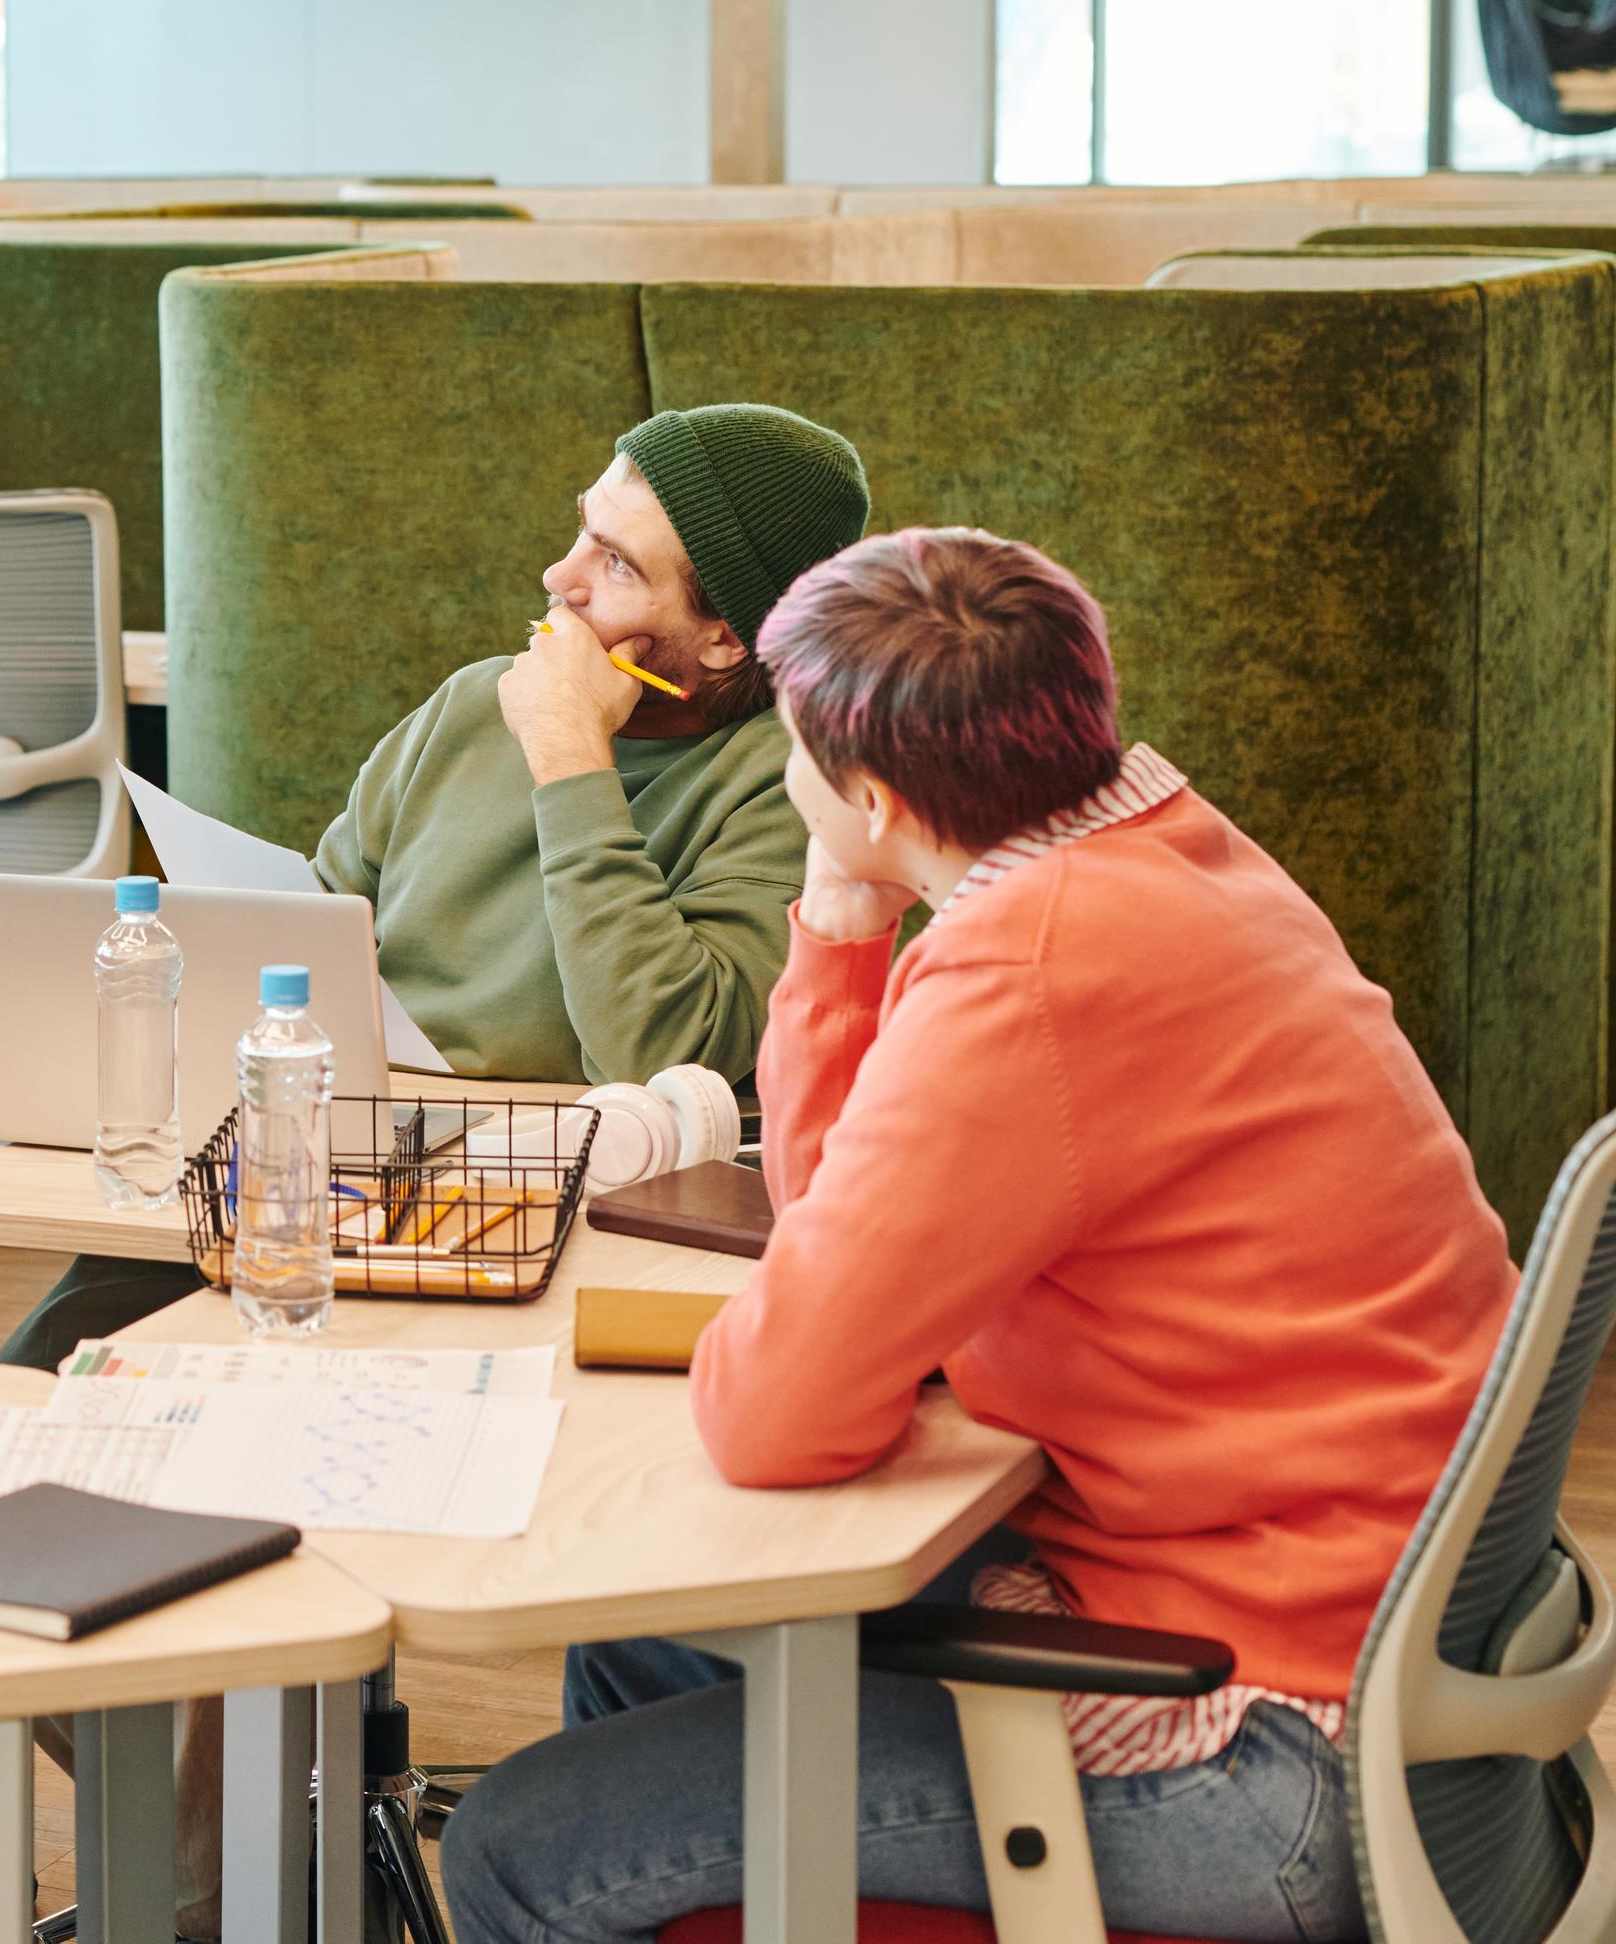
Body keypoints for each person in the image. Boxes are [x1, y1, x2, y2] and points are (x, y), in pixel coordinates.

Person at [441, 528, 1520, 1944]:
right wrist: (841, 920)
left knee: (524, 1849)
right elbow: (844, 1221)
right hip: (1376, 1643)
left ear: (875, 794)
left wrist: (839, 921)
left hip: (1252, 1744)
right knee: (648, 1635)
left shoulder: (1031, 974)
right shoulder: (1168, 847)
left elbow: (778, 1414)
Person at [0, 401, 869, 1369]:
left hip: (544, 1221)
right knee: (55, 1355)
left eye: (617, 565)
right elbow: (314, 941)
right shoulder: (471, 702)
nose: (558, 578)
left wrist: (569, 755)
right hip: (343, 1168)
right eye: (583, 529)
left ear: (722, 640)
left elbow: (661, 1046)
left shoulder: (788, 781)